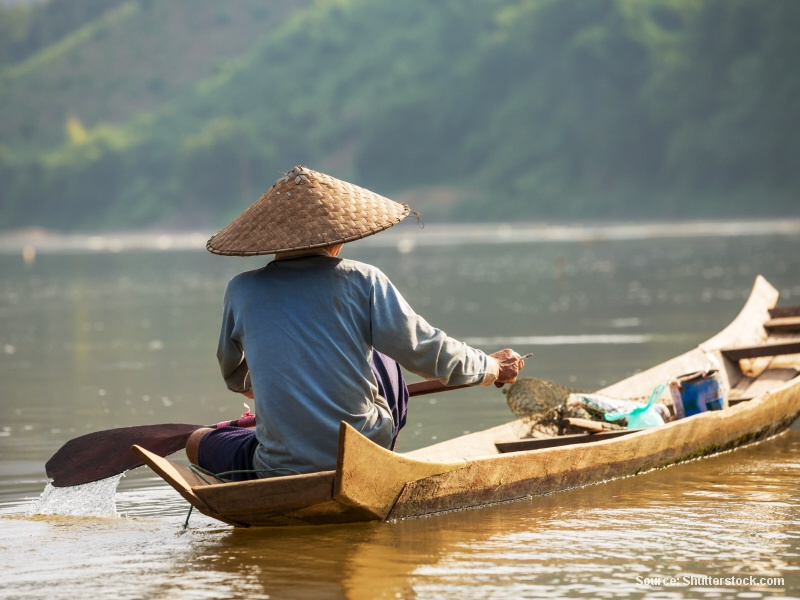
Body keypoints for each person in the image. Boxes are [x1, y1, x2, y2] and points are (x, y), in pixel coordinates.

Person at [186, 166, 526, 480]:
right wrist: (491, 368)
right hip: (361, 450)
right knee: (387, 350)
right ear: (337, 237)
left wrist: (281, 392)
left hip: (278, 465)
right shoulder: (363, 280)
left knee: (197, 441)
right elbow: (426, 350)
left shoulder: (240, 290)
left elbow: (234, 375)